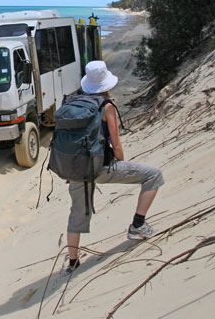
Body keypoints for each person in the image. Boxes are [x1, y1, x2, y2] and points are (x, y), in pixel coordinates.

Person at [66, 61, 164, 275]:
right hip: (100, 167)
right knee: (153, 176)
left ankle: (72, 263)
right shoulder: (107, 107)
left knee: (77, 215)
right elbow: (116, 143)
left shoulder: (74, 103)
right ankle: (138, 226)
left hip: (75, 168)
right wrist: (120, 161)